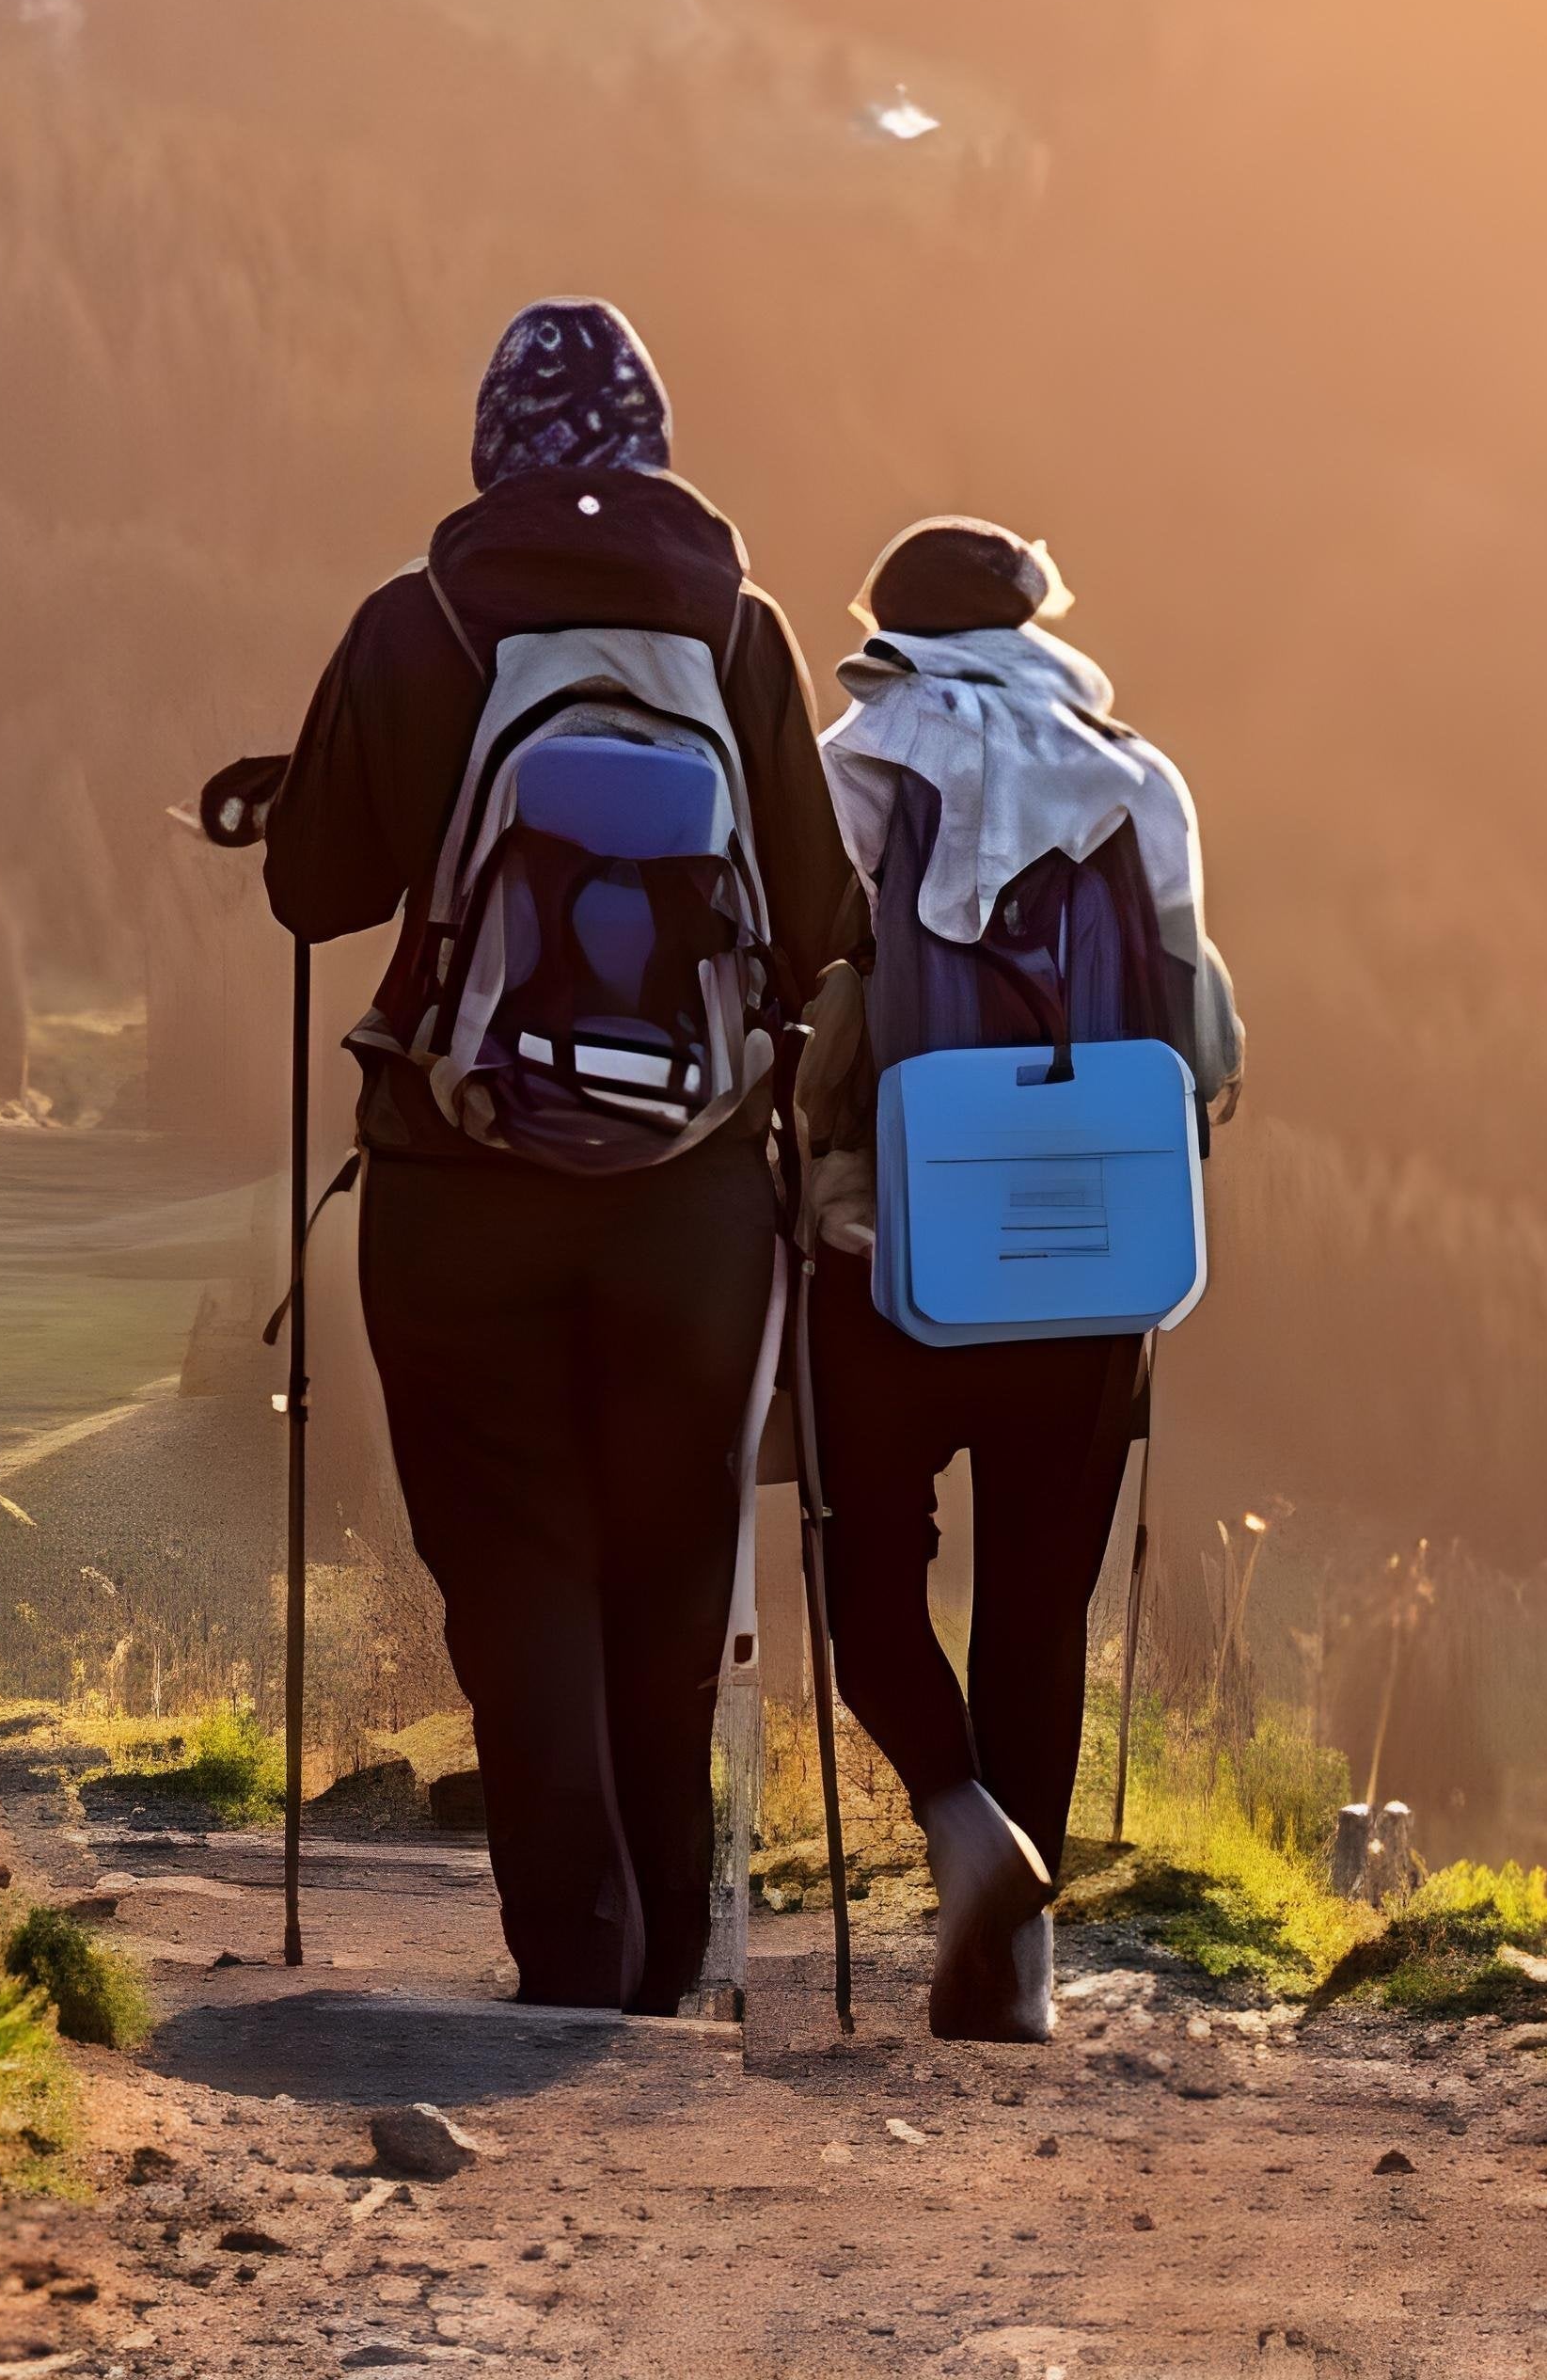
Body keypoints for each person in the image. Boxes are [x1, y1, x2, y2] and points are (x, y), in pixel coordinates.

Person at [263, 299, 861, 2013]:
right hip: (691, 1198)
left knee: (512, 1552)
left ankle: (576, 1949)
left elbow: (316, 888)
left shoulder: (423, 619)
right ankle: (665, 1963)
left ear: (493, 453)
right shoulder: (739, 631)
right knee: (672, 1560)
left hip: (460, 1184)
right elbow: (820, 921)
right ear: (652, 452)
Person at [798, 516, 1245, 2041]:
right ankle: (1016, 1974)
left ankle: (957, 1813)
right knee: (1040, 1605)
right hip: (1093, 1258)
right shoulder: (1137, 778)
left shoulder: (848, 769)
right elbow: (1201, 1038)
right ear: (1032, 626)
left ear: (890, 632)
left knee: (868, 1573)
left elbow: (790, 993)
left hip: (889, 1249)